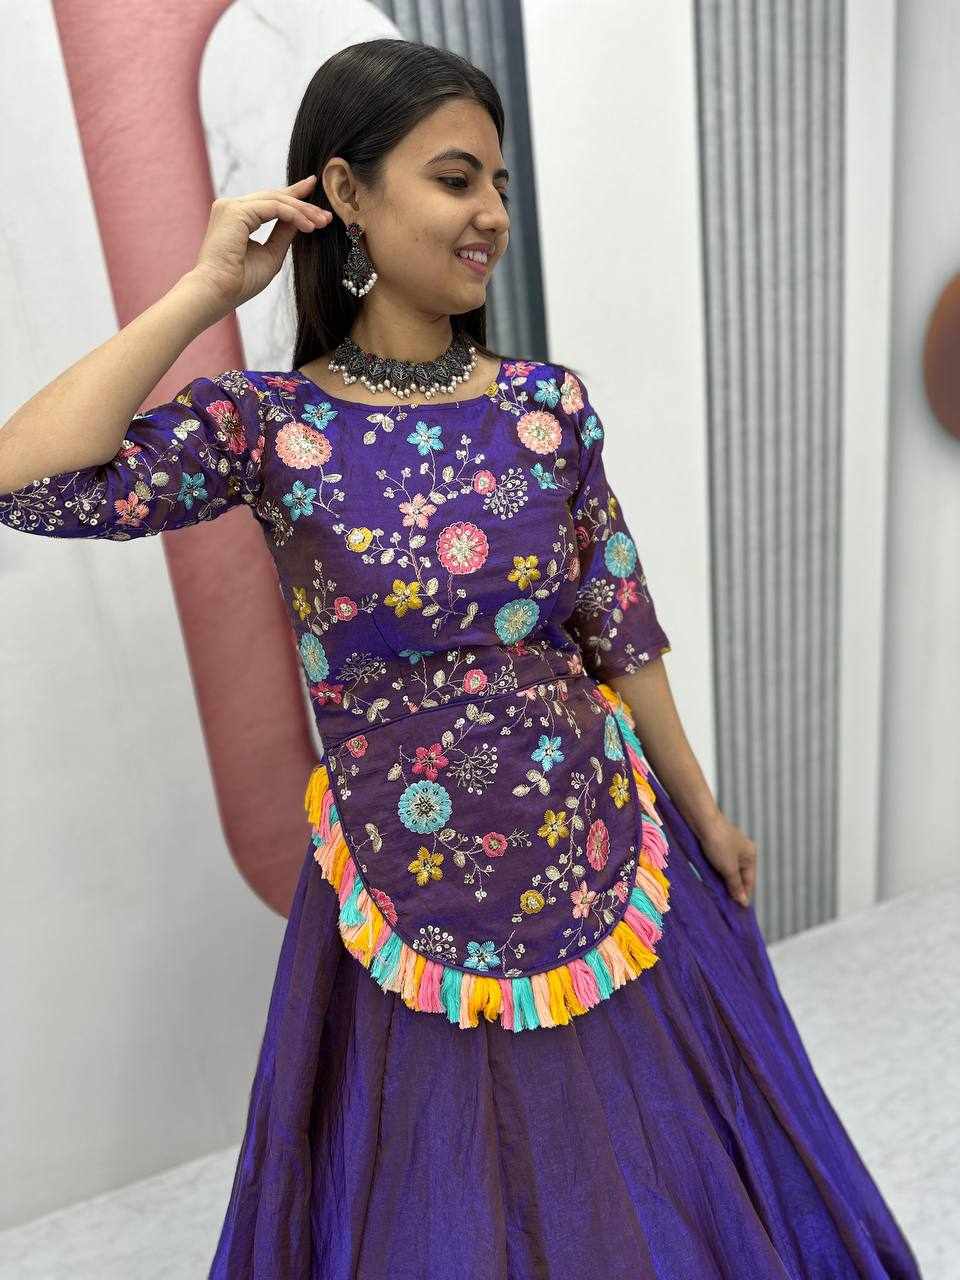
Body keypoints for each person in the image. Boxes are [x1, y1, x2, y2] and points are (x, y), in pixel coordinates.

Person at [0, 37, 922, 1280]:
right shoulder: (273, 427)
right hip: (408, 885)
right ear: (346, 191)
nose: (491, 213)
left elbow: (618, 620)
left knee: (652, 1193)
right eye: (454, 179)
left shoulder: (547, 406)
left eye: (499, 184)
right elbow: (26, 476)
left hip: (601, 851)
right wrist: (205, 292)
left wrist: (704, 809)